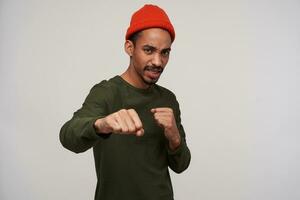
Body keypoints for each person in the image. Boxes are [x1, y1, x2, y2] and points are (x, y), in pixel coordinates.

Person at [59, 4, 191, 200]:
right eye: (149, 50)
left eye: (165, 52)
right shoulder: (107, 92)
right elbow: (68, 136)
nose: (158, 61)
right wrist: (101, 124)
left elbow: (181, 166)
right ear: (130, 47)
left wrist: (174, 138)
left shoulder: (168, 99)